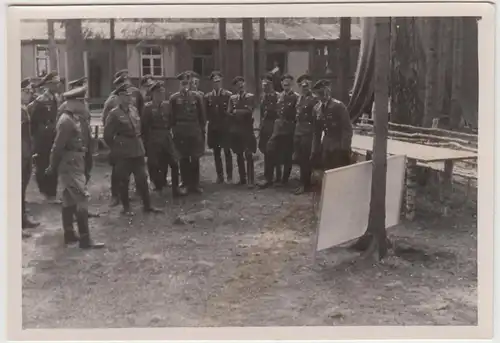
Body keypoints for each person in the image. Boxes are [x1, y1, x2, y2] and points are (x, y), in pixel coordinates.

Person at [45, 85, 105, 249]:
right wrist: (52, 166)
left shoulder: (72, 118)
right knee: (82, 199)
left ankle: (70, 234)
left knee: (69, 199)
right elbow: (57, 147)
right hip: (70, 165)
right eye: (82, 101)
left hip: (74, 162)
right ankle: (85, 240)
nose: (85, 103)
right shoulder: (66, 121)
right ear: (74, 102)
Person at [103, 83, 162, 216]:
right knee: (124, 180)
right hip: (124, 151)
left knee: (142, 178)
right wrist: (117, 146)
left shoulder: (134, 110)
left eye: (129, 95)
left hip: (137, 149)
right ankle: (126, 207)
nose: (128, 98)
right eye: (124, 96)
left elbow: (138, 128)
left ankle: (147, 206)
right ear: (118, 98)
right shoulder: (114, 114)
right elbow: (107, 135)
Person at [141, 81, 187, 198]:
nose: (161, 95)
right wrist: (147, 144)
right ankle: (158, 187)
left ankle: (176, 189)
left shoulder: (167, 106)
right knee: (156, 165)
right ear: (153, 94)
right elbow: (144, 127)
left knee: (174, 163)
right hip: (154, 139)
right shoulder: (148, 108)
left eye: (162, 92)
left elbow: (172, 121)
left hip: (166, 137)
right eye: (158, 93)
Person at [168, 71, 206, 195]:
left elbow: (202, 116)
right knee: (183, 158)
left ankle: (195, 184)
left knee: (195, 157)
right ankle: (185, 182)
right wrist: (174, 130)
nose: (185, 85)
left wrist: (200, 129)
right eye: (183, 83)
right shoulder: (174, 98)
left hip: (194, 129)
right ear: (179, 84)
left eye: (187, 83)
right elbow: (171, 117)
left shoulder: (197, 97)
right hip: (180, 131)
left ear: (190, 84)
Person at [28, 71, 61, 203]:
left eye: (58, 83)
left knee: (53, 163)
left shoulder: (56, 98)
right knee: (43, 164)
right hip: (42, 138)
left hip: (53, 135)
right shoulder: (41, 101)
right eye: (55, 83)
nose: (58, 85)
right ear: (48, 85)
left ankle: (51, 192)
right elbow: (33, 121)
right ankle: (46, 192)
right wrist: (37, 136)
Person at [310, 79, 353, 171]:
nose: (323, 96)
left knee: (338, 172)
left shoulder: (338, 106)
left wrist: (344, 148)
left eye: (325, 93)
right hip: (326, 145)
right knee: (326, 172)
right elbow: (316, 132)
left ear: (329, 92)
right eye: (320, 93)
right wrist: (315, 150)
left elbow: (347, 129)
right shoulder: (316, 108)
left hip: (338, 145)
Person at [266, 74, 299, 188]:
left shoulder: (296, 97)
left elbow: (297, 115)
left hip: (289, 129)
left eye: (288, 82)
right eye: (284, 82)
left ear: (292, 84)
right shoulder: (279, 96)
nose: (286, 84)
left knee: (287, 155)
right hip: (278, 129)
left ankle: (285, 179)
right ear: (281, 84)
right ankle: (275, 177)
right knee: (274, 152)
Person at [227, 76, 257, 187]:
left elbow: (249, 111)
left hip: (247, 129)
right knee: (238, 154)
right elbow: (229, 112)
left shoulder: (250, 97)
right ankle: (242, 178)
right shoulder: (232, 98)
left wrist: (236, 112)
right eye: (237, 85)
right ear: (235, 87)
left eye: (241, 84)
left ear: (244, 85)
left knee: (248, 154)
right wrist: (236, 112)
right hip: (236, 130)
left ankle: (250, 180)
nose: (240, 87)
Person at [204, 71, 233, 184]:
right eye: (215, 82)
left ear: (222, 82)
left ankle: (229, 176)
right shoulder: (208, 97)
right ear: (212, 83)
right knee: (216, 153)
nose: (217, 83)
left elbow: (231, 113)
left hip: (225, 128)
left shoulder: (228, 95)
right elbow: (206, 114)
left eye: (218, 81)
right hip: (214, 128)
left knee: (227, 152)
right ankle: (220, 176)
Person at [293, 74, 318, 195]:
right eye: (302, 86)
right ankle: (304, 181)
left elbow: (316, 118)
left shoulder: (314, 99)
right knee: (299, 157)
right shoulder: (299, 98)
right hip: (298, 130)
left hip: (308, 131)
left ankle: (304, 184)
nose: (304, 87)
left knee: (305, 158)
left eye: (307, 85)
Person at [21, 78, 40, 237]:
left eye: (30, 91)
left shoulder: (24, 108)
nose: (30, 94)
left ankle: (22, 219)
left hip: (26, 154)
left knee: (22, 189)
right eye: (26, 91)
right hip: (18, 155)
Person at [257, 73, 280, 189]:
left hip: (274, 126)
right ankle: (268, 177)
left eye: (266, 84)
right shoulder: (263, 97)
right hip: (265, 127)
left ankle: (276, 177)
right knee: (266, 152)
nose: (264, 86)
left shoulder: (278, 96)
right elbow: (261, 114)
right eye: (263, 84)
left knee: (274, 152)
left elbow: (278, 113)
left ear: (271, 84)